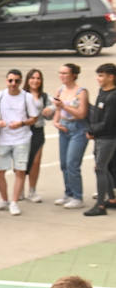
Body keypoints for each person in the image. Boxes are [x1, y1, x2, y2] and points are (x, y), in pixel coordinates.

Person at [0, 68, 39, 215]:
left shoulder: (27, 97)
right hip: (4, 139)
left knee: (20, 171)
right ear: (6, 81)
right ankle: (4, 199)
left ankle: (14, 202)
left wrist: (21, 123)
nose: (13, 84)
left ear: (21, 82)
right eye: (10, 80)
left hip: (22, 139)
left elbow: (34, 118)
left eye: (16, 81)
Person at [53, 63, 91, 209]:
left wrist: (64, 106)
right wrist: (56, 121)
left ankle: (77, 196)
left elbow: (82, 113)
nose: (62, 76)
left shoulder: (81, 92)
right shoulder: (60, 90)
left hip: (78, 128)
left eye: (65, 73)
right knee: (63, 163)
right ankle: (68, 193)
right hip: (64, 127)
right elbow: (57, 108)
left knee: (72, 163)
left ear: (73, 75)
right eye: (60, 73)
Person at [85, 63, 116, 217]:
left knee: (100, 168)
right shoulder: (102, 92)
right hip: (100, 137)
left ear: (111, 77)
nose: (98, 78)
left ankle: (100, 205)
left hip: (108, 138)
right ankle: (111, 199)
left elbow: (108, 122)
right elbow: (97, 114)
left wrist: (92, 130)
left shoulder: (113, 96)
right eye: (98, 75)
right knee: (104, 168)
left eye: (101, 75)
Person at [23, 68, 54, 203]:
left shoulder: (44, 96)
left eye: (38, 78)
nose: (35, 81)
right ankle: (18, 190)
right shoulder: (21, 95)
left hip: (38, 131)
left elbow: (53, 109)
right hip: (23, 131)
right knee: (21, 161)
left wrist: (49, 111)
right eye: (32, 78)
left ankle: (32, 190)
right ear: (27, 80)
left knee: (36, 162)